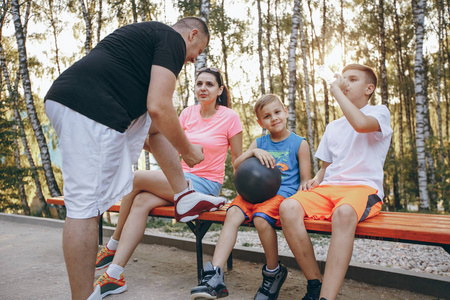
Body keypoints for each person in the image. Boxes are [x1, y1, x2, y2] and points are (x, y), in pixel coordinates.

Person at [44, 18, 226, 300]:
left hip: (71, 98)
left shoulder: (146, 36)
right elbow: (159, 106)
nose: (191, 61)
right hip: (91, 108)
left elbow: (155, 128)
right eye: (196, 52)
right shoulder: (172, 40)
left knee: (156, 131)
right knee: (84, 208)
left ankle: (184, 195)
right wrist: (189, 153)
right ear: (192, 35)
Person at [93, 67, 243, 298]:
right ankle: (115, 274)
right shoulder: (187, 114)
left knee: (136, 178)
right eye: (199, 83)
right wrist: (136, 139)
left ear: (220, 89)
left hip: (204, 185)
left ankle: (112, 246)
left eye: (209, 84)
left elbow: (238, 160)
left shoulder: (230, 117)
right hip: (178, 181)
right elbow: (171, 151)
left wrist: (249, 171)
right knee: (141, 200)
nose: (203, 88)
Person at [279, 64, 393, 300]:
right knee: (288, 207)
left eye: (353, 79)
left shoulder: (379, 112)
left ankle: (326, 298)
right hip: (329, 187)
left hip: (362, 188)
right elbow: (326, 167)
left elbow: (361, 125)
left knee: (343, 214)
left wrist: (336, 91)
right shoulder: (333, 126)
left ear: (369, 88)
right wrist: (315, 179)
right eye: (344, 79)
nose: (346, 84)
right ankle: (315, 284)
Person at [191, 94, 312, 300]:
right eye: (267, 116)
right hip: (251, 193)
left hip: (280, 194)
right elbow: (237, 164)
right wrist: (253, 153)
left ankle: (273, 272)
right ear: (260, 122)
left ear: (285, 112)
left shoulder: (299, 143)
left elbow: (305, 180)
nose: (273, 118)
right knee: (233, 214)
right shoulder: (259, 142)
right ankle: (214, 275)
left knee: (260, 219)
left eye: (277, 112)